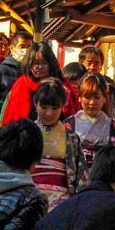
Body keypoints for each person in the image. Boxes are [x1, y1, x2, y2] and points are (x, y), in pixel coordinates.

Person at [28, 79, 82, 213]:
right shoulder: (24, 133)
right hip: (29, 195)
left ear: (63, 106)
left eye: (54, 107)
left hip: (62, 202)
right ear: (35, 104)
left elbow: (80, 176)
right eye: (44, 107)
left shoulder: (72, 137)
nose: (49, 113)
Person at [2, 44, 75, 126]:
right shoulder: (21, 84)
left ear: (51, 64)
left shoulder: (62, 85)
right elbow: (9, 116)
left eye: (44, 63)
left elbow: (71, 117)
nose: (39, 67)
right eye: (35, 63)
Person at [0, 29, 34, 134]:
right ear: (12, 48)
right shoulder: (0, 71)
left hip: (28, 128)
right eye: (22, 46)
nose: (26, 50)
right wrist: (5, 110)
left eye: (29, 47)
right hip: (5, 127)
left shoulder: (33, 71)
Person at [73, 72, 115, 176]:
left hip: (103, 177)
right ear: (79, 98)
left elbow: (114, 158)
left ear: (104, 98)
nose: (92, 102)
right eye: (87, 97)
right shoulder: (70, 124)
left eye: (97, 97)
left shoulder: (113, 126)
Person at [79, 44, 115, 142]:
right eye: (89, 63)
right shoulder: (73, 86)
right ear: (81, 63)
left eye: (97, 63)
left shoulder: (113, 90)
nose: (92, 67)